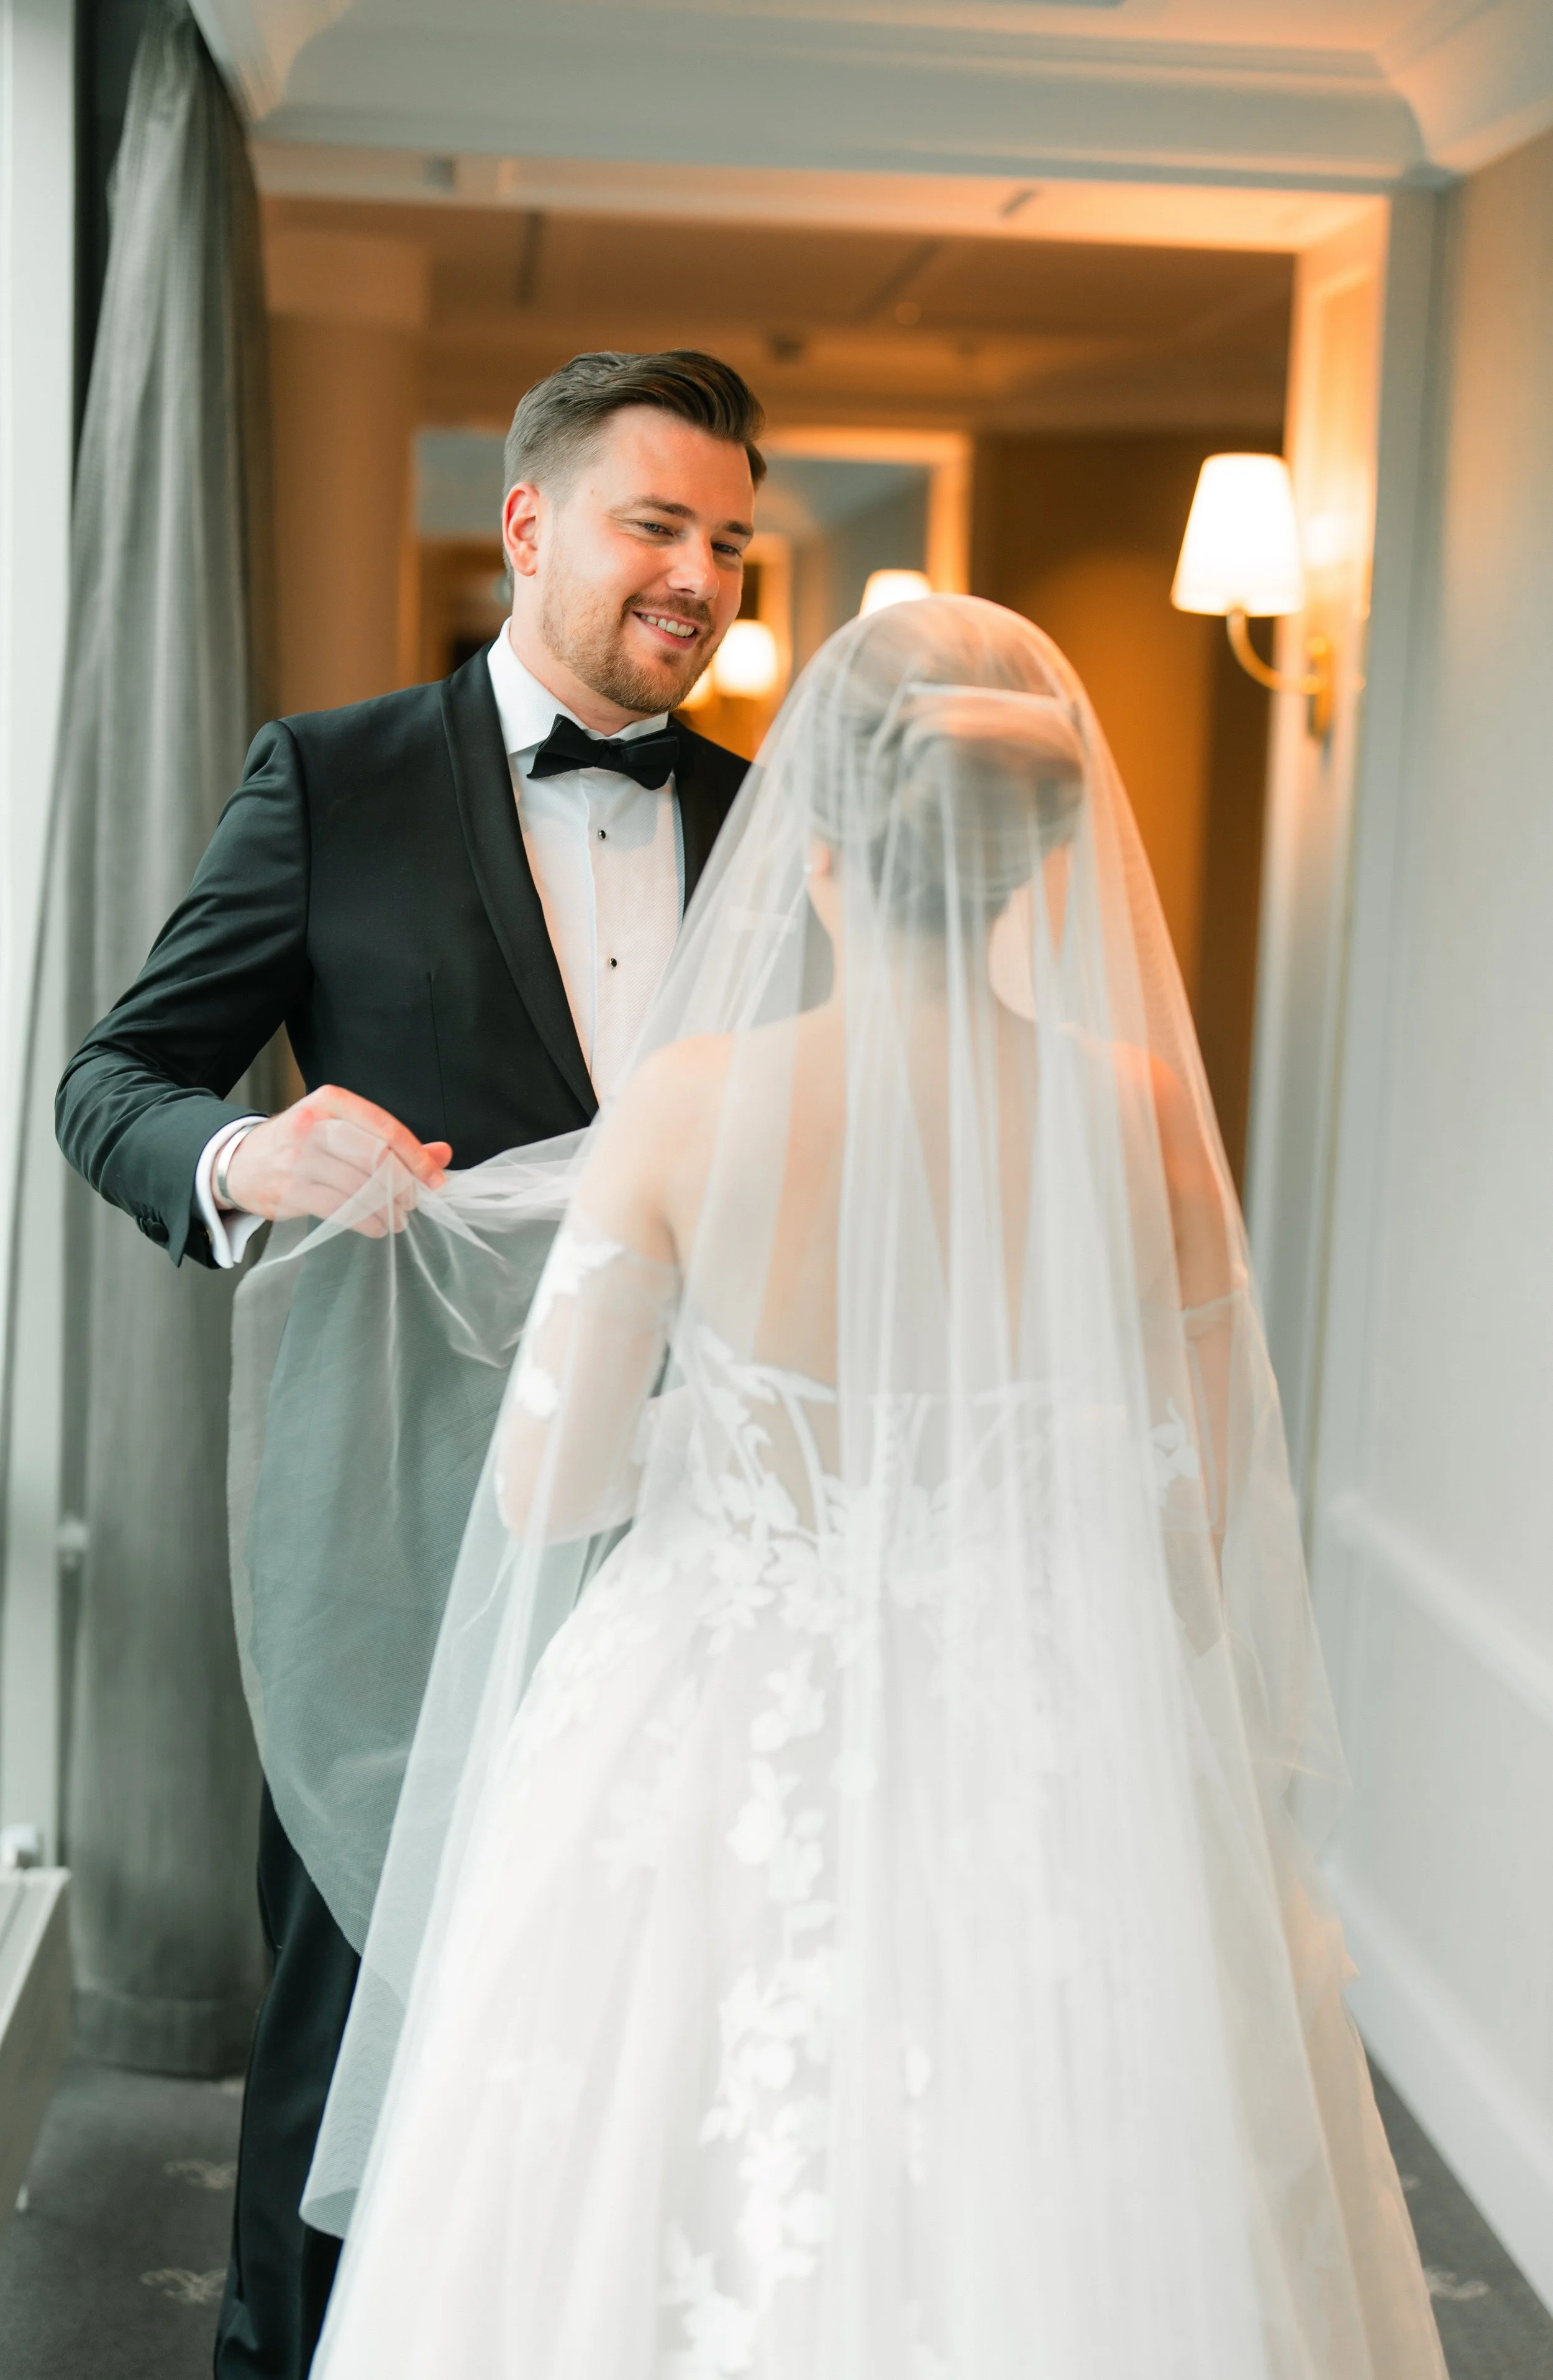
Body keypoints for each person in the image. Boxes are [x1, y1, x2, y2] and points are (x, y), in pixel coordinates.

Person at [266, 593, 1447, 2378]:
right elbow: (1193, 1514)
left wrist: (717, 1442)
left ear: (811, 851)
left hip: (721, 1706)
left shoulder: (685, 1108)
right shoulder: (1136, 1114)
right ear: (1039, 860)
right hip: (1042, 1709)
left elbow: (550, 1492)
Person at [55, 347, 765, 2380]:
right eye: (657, 523)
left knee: (646, 2033)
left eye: (726, 538)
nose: (699, 575)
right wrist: (243, 1150)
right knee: (350, 2022)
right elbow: (114, 1079)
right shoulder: (333, 775)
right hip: (401, 1540)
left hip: (707, 1534)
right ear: (531, 525)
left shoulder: (770, 817)